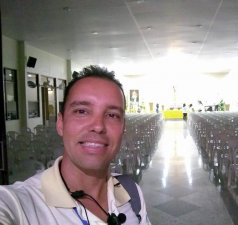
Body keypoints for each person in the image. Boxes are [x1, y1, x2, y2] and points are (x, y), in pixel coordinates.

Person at [0, 65, 151, 225]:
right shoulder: (20, 203)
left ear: (123, 128)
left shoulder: (132, 193)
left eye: (112, 115)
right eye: (81, 111)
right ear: (60, 123)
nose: (98, 126)